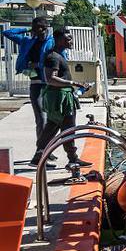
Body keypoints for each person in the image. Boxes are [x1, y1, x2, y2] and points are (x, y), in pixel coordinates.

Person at [32, 30, 92, 168]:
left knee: (54, 127)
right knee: (67, 129)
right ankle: (72, 158)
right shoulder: (53, 57)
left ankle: (39, 155)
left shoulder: (58, 55)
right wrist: (73, 83)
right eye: (67, 39)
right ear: (58, 40)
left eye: (70, 39)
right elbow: (50, 79)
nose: (70, 41)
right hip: (60, 99)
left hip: (62, 96)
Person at [2, 16, 54, 149]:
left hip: (50, 84)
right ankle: (41, 149)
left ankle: (48, 148)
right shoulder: (27, 41)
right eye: (35, 29)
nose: (37, 31)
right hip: (35, 84)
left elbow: (59, 60)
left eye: (39, 28)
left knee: (51, 120)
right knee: (41, 118)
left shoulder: (52, 42)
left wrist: (38, 64)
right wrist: (27, 28)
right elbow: (7, 33)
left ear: (45, 28)